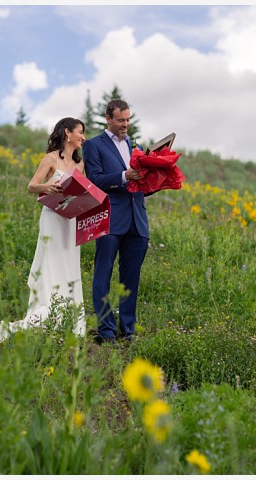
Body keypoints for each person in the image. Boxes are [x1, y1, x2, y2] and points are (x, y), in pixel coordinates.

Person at [0, 118, 88, 343]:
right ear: (67, 133)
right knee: (50, 259)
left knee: (68, 261)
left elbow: (82, 190)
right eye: (80, 132)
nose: (83, 137)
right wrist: (47, 187)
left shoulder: (80, 165)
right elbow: (31, 185)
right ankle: (47, 310)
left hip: (70, 219)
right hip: (52, 217)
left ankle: (69, 314)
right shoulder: (50, 158)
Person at [83, 99, 148, 344]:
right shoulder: (94, 145)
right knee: (103, 274)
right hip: (110, 217)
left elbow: (139, 182)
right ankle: (106, 330)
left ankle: (128, 330)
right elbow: (95, 180)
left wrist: (154, 179)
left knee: (131, 278)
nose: (125, 124)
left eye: (128, 119)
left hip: (137, 219)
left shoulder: (136, 145)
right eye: (121, 120)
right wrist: (123, 176)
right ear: (108, 118)